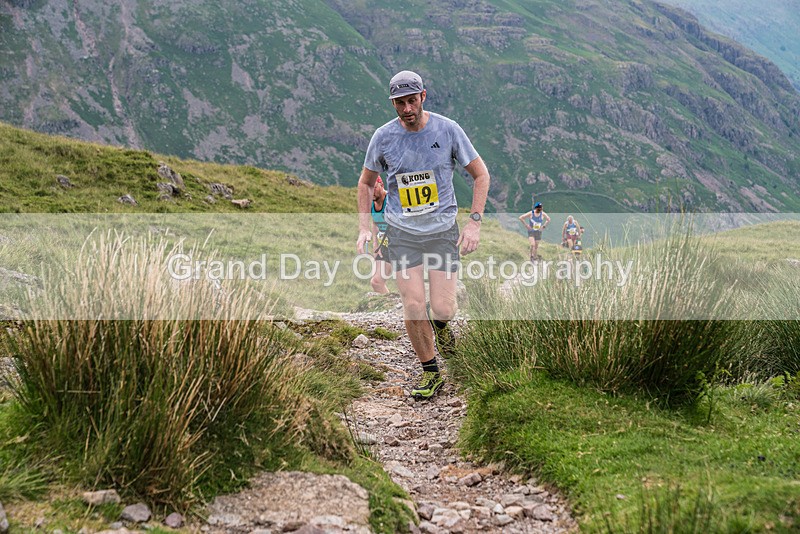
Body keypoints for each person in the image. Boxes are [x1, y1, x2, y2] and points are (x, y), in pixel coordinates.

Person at [356, 70, 490, 400]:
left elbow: (481, 174)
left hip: (442, 231)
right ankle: (431, 372)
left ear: (423, 97)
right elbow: (364, 182)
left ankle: (442, 330)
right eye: (398, 103)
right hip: (402, 233)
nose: (405, 109)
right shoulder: (383, 137)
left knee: (442, 308)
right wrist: (364, 228)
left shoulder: (448, 130)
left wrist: (474, 223)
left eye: (411, 101)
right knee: (414, 305)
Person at [369, 175, 393, 294]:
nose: (371, 192)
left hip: (399, 247)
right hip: (383, 246)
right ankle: (392, 306)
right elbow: (374, 222)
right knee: (376, 282)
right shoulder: (371, 202)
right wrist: (375, 244)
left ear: (382, 185)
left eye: (374, 188)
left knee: (405, 282)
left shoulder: (392, 200)